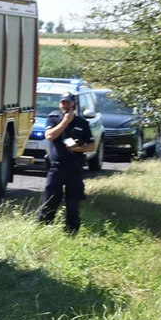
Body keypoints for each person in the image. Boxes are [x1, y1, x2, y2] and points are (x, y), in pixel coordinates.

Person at [38, 91, 96, 235]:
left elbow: (92, 146)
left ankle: (71, 233)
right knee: (50, 200)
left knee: (73, 203)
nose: (65, 105)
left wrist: (79, 148)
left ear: (74, 104)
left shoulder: (82, 123)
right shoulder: (53, 119)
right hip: (56, 168)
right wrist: (65, 121)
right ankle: (44, 229)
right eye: (63, 102)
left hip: (75, 168)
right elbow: (50, 136)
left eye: (68, 102)